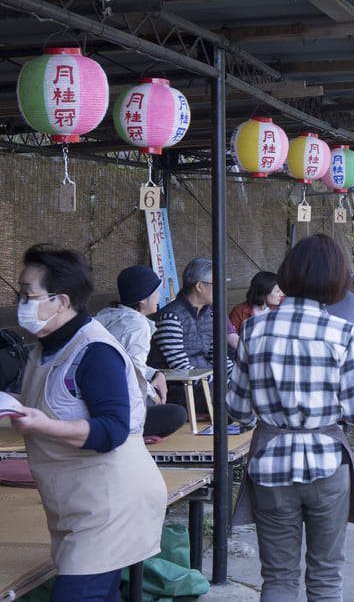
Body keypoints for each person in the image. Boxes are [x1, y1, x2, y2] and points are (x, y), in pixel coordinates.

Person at [226, 234, 354, 601]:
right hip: (326, 466)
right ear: (338, 281)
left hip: (270, 466)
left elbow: (237, 410)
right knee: (325, 578)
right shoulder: (343, 334)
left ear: (287, 275)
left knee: (277, 579)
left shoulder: (254, 330)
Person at [10, 244, 165, 602]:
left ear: (62, 302)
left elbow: (111, 429)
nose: (21, 302)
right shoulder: (43, 349)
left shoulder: (96, 351)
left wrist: (41, 425)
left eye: (27, 294)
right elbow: (51, 404)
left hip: (111, 506)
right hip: (74, 504)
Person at [94, 264, 188, 438]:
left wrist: (155, 373)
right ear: (143, 298)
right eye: (156, 292)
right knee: (177, 414)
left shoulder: (107, 314)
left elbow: (124, 360)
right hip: (116, 405)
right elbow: (134, 369)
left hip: (95, 399)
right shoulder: (138, 325)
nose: (159, 296)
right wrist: (154, 398)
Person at [149, 257, 221, 373]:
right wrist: (219, 383)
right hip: (180, 386)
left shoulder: (209, 315)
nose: (221, 288)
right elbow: (180, 366)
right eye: (217, 283)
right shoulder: (170, 318)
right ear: (199, 286)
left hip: (206, 382)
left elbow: (218, 357)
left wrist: (237, 378)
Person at [228, 271, 284, 340]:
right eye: (278, 291)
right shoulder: (239, 312)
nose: (282, 294)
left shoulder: (284, 306)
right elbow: (231, 342)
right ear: (264, 292)